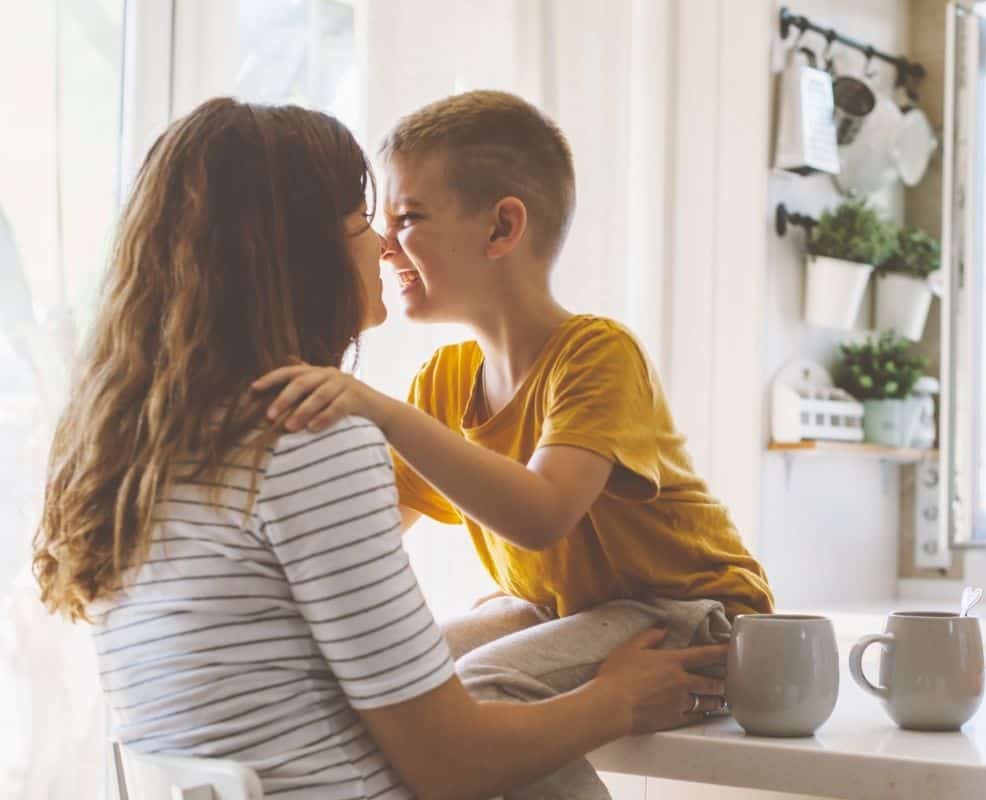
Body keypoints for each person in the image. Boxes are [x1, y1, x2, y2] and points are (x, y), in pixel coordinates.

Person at [31, 97, 727, 800]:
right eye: (368, 221)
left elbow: (472, 522)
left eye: (403, 221)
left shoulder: (139, 463)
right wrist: (615, 700)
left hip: (674, 607)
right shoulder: (312, 447)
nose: (384, 246)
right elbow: (457, 762)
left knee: (484, 643)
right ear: (308, 255)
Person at [255, 89, 774, 800]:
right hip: (571, 610)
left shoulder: (596, 353)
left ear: (501, 229)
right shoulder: (445, 379)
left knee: (483, 688)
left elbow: (541, 515)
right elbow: (373, 526)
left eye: (407, 220)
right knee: (416, 676)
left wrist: (377, 409)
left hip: (695, 611)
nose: (384, 246)